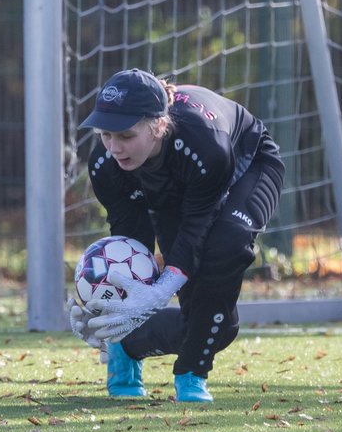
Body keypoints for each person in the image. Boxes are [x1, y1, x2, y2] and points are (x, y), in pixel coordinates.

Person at [69, 68, 285, 402]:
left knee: (228, 246)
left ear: (157, 126)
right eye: (105, 135)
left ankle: (191, 376)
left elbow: (197, 227)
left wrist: (159, 292)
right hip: (174, 189)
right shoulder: (105, 165)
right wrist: (113, 313)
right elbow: (130, 245)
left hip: (246, 164)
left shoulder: (204, 142)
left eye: (125, 136)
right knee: (216, 326)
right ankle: (124, 349)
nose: (113, 146)